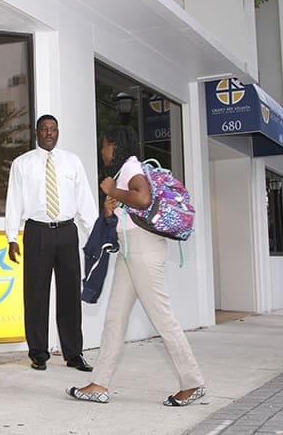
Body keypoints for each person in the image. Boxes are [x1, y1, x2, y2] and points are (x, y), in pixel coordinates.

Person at [66, 125, 205, 406]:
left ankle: (193, 382)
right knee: (115, 318)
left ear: (115, 145)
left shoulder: (130, 168)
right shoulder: (126, 172)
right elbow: (132, 206)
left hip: (142, 248)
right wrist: (111, 207)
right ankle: (99, 383)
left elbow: (142, 197)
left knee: (162, 317)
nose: (102, 150)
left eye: (105, 145)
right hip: (130, 251)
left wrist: (112, 189)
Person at [5, 114, 98, 371]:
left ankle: (73, 354)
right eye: (44, 129)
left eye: (53, 129)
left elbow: (85, 201)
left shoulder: (72, 162)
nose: (49, 133)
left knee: (69, 294)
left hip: (67, 232)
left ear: (58, 132)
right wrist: (12, 236)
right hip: (37, 232)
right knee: (36, 294)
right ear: (37, 133)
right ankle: (38, 353)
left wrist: (95, 237)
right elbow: (14, 201)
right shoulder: (22, 164)